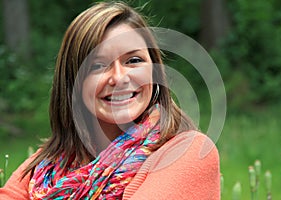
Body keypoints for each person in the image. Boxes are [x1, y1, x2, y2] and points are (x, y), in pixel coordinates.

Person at [0, 1, 220, 199]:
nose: (119, 78)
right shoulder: (46, 166)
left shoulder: (189, 153)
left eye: (133, 60)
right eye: (97, 66)